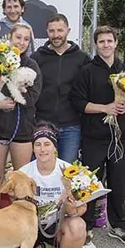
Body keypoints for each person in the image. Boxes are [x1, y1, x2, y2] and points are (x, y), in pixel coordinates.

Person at [0, 122, 87, 248]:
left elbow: (82, 209)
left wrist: (72, 208)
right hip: (29, 226)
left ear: (55, 147)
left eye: (47, 144)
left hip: (57, 225)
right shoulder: (24, 172)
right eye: (38, 144)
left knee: (78, 226)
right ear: (33, 148)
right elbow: (14, 205)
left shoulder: (69, 171)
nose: (42, 149)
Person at [69, 25, 125, 245]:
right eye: (102, 42)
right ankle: (86, 225)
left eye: (109, 41)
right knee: (91, 184)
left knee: (119, 183)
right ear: (96, 45)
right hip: (94, 137)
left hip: (119, 138)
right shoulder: (87, 71)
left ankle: (119, 225)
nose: (106, 45)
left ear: (116, 43)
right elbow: (78, 102)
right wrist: (105, 108)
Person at [0, 24, 42, 212]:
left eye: (26, 39)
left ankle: (20, 226)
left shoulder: (32, 65)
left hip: (22, 130)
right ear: (9, 37)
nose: (22, 42)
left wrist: (3, 85)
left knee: (21, 180)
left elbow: (31, 98)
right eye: (18, 37)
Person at [31, 14, 90, 163]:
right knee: (40, 169)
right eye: (52, 31)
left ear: (68, 31)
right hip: (42, 123)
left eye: (60, 30)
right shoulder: (37, 58)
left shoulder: (82, 58)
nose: (56, 35)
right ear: (47, 32)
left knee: (67, 172)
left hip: (71, 125)